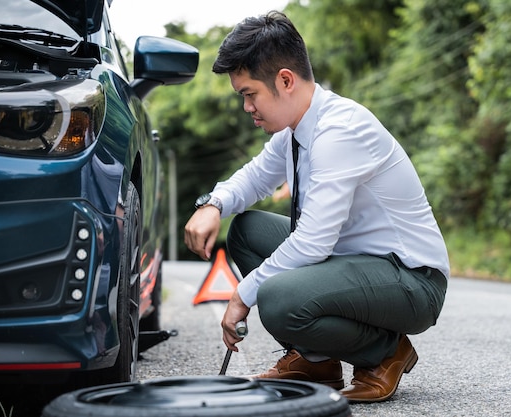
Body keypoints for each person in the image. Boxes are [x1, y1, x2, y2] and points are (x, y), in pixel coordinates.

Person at [184, 10, 449, 403]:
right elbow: (255, 177)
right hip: (356, 265)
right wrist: (213, 204)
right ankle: (317, 360)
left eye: (249, 94)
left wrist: (242, 294)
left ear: (285, 80)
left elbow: (313, 242)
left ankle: (386, 352)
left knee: (275, 299)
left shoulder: (338, 131)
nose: (246, 107)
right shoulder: (296, 130)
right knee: (246, 231)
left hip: (411, 280)